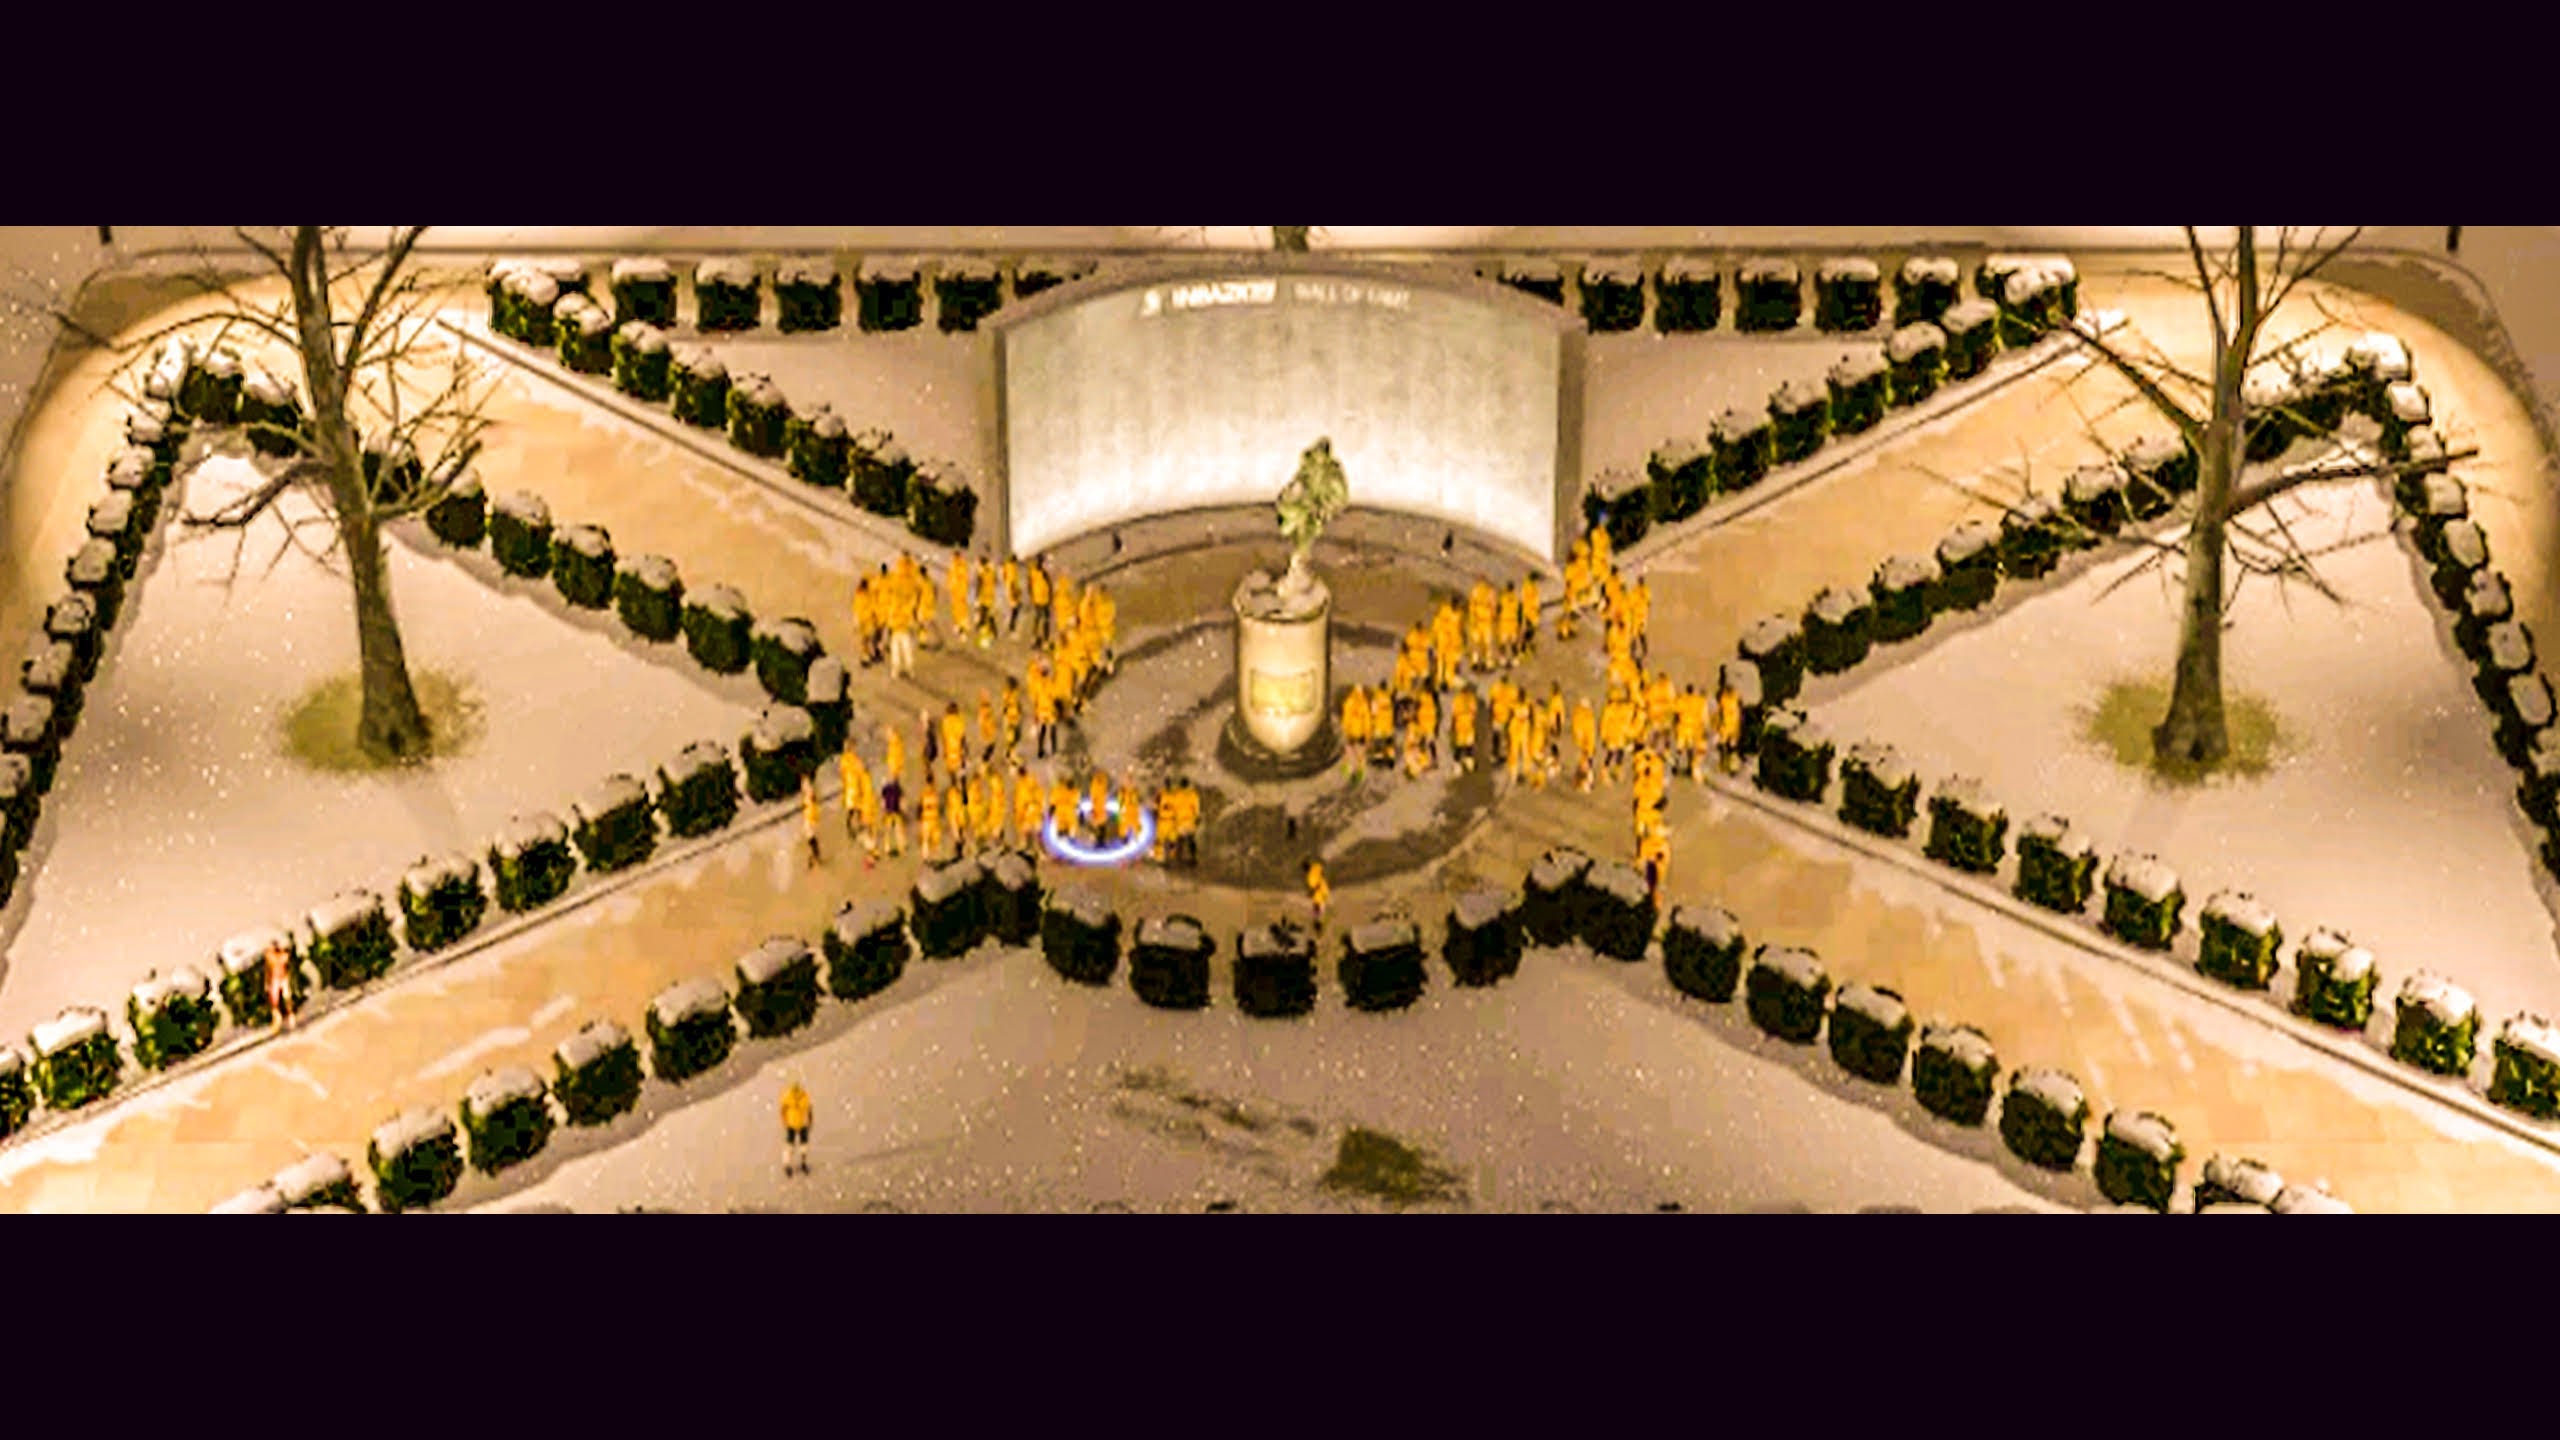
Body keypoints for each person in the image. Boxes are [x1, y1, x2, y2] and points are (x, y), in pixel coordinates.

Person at [838, 741, 870, 845]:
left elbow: (842, 774)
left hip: (850, 787)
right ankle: (860, 827)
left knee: (853, 810)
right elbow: (861, 769)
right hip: (854, 787)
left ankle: (853, 829)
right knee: (857, 809)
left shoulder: (844, 759)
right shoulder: (852, 758)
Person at [780, 1077, 813, 1177]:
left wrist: (784, 1121)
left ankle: (789, 1164)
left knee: (792, 1145)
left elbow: (783, 1110)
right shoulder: (803, 1096)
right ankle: (800, 1163)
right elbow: (809, 1110)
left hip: (795, 1123)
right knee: (801, 1145)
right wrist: (810, 1121)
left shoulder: (788, 1096)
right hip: (799, 1123)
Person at [263, 937, 297, 1032]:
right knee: (277, 1000)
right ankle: (282, 1020)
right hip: (277, 978)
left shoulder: (273, 956)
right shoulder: (278, 956)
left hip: (279, 978)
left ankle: (286, 1018)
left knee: (281, 1000)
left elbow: (269, 968)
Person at [1029, 655, 1060, 759]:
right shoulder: (1050, 683)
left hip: (1041, 710)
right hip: (1050, 710)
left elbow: (1035, 699)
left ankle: (1040, 750)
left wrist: (1035, 714)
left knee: (1042, 730)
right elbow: (1055, 695)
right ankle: (1054, 750)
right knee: (1053, 730)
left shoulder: (1037, 684)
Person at [1715, 675, 1745, 777]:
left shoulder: (1726, 697)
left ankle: (1729, 767)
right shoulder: (1729, 697)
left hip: (1730, 726)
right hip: (1730, 725)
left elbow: (1720, 712)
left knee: (1729, 748)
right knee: (1728, 747)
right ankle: (1729, 766)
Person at [1341, 684, 1370, 783]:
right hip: (1358, 734)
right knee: (1359, 753)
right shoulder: (1362, 703)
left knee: (1352, 752)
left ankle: (1351, 774)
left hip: (1353, 734)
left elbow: (1346, 718)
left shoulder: (1350, 702)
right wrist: (1367, 734)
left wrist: (1346, 730)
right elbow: (1366, 720)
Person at [1573, 695, 1599, 792]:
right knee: (1585, 762)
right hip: (1585, 742)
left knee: (1585, 762)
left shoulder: (1580, 713)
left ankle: (1582, 781)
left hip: (1584, 741)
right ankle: (1583, 782)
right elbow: (1587, 731)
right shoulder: (1584, 715)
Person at [1451, 684, 1478, 774]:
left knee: (1464, 746)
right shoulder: (1466, 699)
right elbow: (1473, 713)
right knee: (1464, 746)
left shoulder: (1462, 699)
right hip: (1464, 725)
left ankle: (1463, 763)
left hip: (1464, 725)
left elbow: (1454, 714)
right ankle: (1462, 764)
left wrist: (1453, 726)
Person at [879, 772, 907, 857]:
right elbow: (902, 801)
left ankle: (887, 848)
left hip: (889, 812)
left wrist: (882, 811)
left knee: (888, 831)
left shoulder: (886, 789)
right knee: (898, 831)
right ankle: (901, 848)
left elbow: (883, 801)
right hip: (896, 811)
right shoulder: (898, 788)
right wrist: (904, 811)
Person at [1028, 555, 1054, 646]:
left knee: (1044, 619)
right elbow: (1030, 585)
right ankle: (1037, 638)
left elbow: (1049, 585)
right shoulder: (1035, 572)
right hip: (1039, 599)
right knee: (1039, 619)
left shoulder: (1043, 572)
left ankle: (1043, 638)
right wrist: (1032, 596)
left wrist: (1050, 596)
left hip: (1044, 599)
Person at [940, 702, 968, 785]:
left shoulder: (945, 721)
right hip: (957, 746)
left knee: (950, 766)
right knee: (960, 764)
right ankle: (962, 783)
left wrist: (944, 749)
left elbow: (944, 736)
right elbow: (962, 736)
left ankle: (953, 782)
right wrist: (965, 748)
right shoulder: (959, 720)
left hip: (949, 746)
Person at [918, 778, 945, 863]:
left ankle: (927, 857)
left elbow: (919, 807)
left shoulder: (925, 794)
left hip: (928, 819)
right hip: (931, 819)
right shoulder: (933, 794)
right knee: (932, 840)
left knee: (928, 840)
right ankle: (931, 857)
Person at [800, 773, 823, 869]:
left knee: (810, 835)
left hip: (810, 813)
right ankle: (815, 857)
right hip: (809, 813)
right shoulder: (805, 783)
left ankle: (815, 857)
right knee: (810, 835)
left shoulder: (806, 784)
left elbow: (811, 796)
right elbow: (812, 796)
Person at [1001, 678, 1023, 764]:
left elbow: (1018, 704)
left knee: (1017, 736)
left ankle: (1008, 754)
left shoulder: (1015, 692)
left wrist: (1020, 712)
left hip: (1016, 717)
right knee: (1011, 737)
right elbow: (1005, 707)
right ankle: (1011, 756)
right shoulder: (1007, 693)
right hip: (1010, 718)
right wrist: (1007, 718)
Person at [1002, 554, 1023, 635]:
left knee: (1016, 607)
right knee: (1015, 608)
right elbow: (1012, 581)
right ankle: (1011, 625)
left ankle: (1011, 624)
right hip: (1012, 590)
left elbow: (1005, 577)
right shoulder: (1011, 567)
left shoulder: (1009, 566)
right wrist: (1015, 592)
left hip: (1012, 589)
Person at [1306, 857, 1330, 932]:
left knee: (1317, 912)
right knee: (1317, 913)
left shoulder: (1311, 876)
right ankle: (1318, 926)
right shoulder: (1316, 866)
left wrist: (1311, 893)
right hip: (1323, 892)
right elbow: (1322, 870)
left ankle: (1318, 927)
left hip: (1319, 896)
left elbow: (1316, 886)